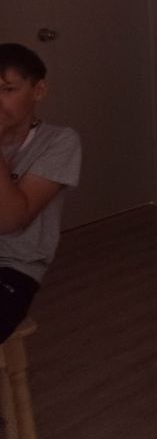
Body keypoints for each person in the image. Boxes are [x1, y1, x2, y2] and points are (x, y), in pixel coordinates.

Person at [0, 43, 81, 344]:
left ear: (38, 90)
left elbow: (10, 220)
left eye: (8, 89)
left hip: (13, 269)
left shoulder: (58, 142)